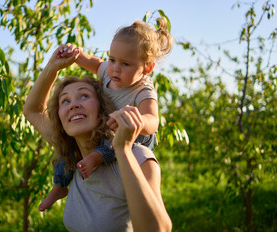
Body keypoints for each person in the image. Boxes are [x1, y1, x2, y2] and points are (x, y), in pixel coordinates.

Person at [23, 45, 172, 231]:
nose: (74, 105)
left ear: (103, 108)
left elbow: (159, 229)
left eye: (84, 96)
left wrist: (123, 148)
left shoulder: (137, 156)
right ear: (60, 120)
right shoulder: (72, 155)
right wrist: (54, 66)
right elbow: (33, 110)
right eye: (65, 101)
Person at [40, 18, 174, 211]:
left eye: (126, 64)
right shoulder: (108, 72)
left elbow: (153, 122)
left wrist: (136, 120)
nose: (115, 68)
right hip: (107, 128)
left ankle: (96, 158)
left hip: (133, 137)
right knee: (68, 147)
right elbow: (92, 62)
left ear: (147, 68)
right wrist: (75, 53)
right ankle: (59, 185)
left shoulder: (143, 90)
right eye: (112, 60)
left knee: (111, 143)